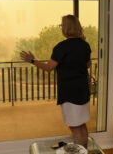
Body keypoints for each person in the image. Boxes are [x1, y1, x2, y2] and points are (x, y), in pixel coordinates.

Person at [20, 14, 91, 148]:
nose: (61, 27)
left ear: (66, 28)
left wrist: (32, 61)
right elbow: (88, 65)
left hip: (70, 93)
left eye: (61, 25)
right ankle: (84, 151)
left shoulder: (61, 47)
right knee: (82, 125)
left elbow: (49, 68)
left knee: (75, 128)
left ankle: (79, 152)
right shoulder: (85, 45)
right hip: (83, 90)